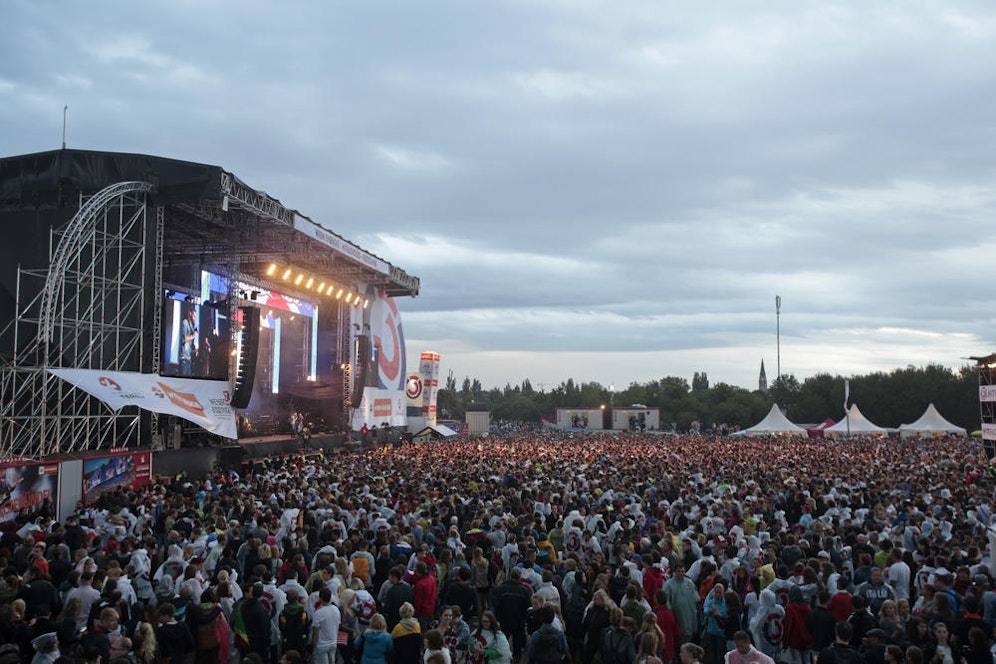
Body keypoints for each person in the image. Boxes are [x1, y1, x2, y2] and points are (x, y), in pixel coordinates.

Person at [312, 587, 342, 664]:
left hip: (322, 645)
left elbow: (315, 632)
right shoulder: (336, 610)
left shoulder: (318, 613)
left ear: (320, 599)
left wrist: (313, 645)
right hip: (333, 642)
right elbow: (338, 625)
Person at [180, 305, 198, 376]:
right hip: (184, 359)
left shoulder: (192, 327)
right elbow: (184, 339)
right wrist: (193, 336)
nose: (195, 318)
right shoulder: (185, 322)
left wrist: (195, 350)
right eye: (194, 315)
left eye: (195, 316)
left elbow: (189, 345)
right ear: (190, 313)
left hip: (189, 359)